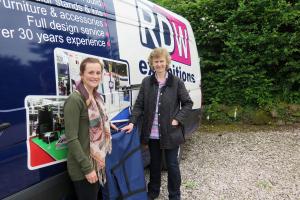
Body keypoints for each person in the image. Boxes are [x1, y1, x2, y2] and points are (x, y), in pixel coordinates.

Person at [121, 48, 193, 200]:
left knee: (172, 166)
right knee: (154, 164)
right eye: (156, 62)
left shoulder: (176, 82)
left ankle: (174, 195)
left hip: (171, 133)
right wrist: (132, 123)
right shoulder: (147, 82)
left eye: (161, 61)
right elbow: (139, 105)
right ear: (152, 64)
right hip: (152, 134)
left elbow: (187, 103)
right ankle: (153, 192)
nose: (159, 64)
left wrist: (177, 119)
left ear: (167, 62)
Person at [64, 57, 112, 200]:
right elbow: (71, 139)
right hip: (83, 167)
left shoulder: (96, 97)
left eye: (98, 73)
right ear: (82, 74)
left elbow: (95, 121)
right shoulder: (75, 100)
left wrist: (106, 125)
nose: (95, 76)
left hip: (96, 163)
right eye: (91, 72)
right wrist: (87, 168)